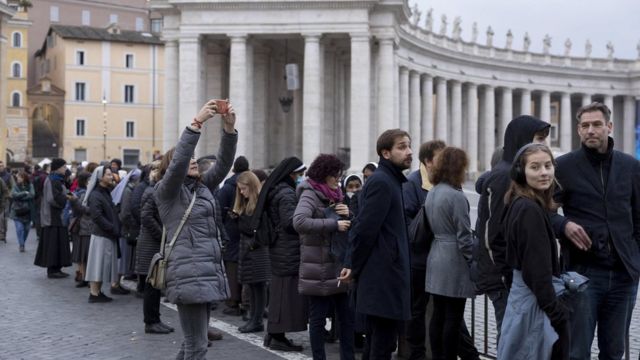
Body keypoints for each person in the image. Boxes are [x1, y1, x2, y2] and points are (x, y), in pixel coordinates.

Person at [551, 102, 640, 360]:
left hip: (624, 276)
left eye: (597, 124)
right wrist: (563, 225)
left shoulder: (631, 167)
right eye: (585, 126)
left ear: (609, 127)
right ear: (578, 130)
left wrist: (635, 258)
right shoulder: (563, 166)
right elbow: (544, 212)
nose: (591, 130)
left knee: (614, 352)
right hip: (582, 275)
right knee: (577, 351)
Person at [155, 99, 236, 359]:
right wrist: (196, 124)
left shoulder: (201, 188)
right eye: (188, 158)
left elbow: (223, 165)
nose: (193, 161)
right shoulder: (167, 193)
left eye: (193, 158)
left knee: (192, 343)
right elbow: (178, 164)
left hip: (205, 272)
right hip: (187, 274)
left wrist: (229, 130)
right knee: (197, 345)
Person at [475, 115, 550, 339]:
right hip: (503, 277)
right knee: (511, 337)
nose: (543, 145)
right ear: (522, 139)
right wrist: (505, 275)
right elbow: (492, 233)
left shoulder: (518, 173)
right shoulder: (503, 176)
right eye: (538, 139)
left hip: (516, 275)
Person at [498, 143, 569, 360]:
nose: (544, 172)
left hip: (524, 300)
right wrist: (557, 312)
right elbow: (536, 269)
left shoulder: (520, 203)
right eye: (535, 167)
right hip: (536, 306)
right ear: (521, 172)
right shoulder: (529, 210)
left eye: (548, 166)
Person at [350, 129, 412, 360]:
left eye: (409, 146)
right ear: (386, 153)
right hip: (383, 276)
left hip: (385, 273)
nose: (409, 152)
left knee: (378, 344)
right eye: (402, 147)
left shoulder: (390, 180)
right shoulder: (383, 183)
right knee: (382, 346)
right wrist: (352, 266)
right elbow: (365, 229)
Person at [294, 154, 354, 360]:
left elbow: (345, 225)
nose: (339, 179)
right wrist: (333, 224)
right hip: (317, 267)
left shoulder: (336, 193)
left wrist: (348, 214)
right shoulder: (309, 194)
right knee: (318, 319)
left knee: (346, 317)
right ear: (325, 174)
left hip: (337, 265)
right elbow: (299, 222)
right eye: (336, 175)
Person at [424, 147, 475, 360]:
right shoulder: (456, 196)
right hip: (453, 258)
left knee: (438, 315)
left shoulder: (433, 191)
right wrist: (473, 259)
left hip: (435, 254)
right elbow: (464, 236)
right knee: (453, 317)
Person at [254, 157, 307, 351]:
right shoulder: (286, 193)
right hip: (287, 249)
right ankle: (277, 336)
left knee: (279, 292)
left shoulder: (277, 189)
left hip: (280, 248)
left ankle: (274, 334)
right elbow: (290, 222)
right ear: (292, 174)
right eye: (300, 175)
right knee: (284, 294)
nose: (301, 178)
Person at [134, 161, 174, 334]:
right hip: (151, 244)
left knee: (156, 284)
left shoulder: (155, 191)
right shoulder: (151, 192)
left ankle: (155, 319)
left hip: (155, 243)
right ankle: (151, 321)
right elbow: (147, 217)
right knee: (152, 284)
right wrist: (162, 236)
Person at [231, 171, 271, 333]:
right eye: (239, 189)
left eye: (243, 188)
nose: (241, 192)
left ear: (252, 187)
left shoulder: (260, 205)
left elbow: (257, 230)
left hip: (257, 251)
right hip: (249, 251)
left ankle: (257, 320)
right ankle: (254, 318)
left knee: (259, 287)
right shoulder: (247, 204)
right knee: (254, 287)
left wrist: (240, 220)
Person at [216, 156, 250, 316]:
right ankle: (245, 300)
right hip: (246, 228)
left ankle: (233, 301)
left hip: (230, 229)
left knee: (231, 265)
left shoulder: (227, 187)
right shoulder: (249, 182)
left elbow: (219, 210)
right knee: (244, 264)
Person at [84, 166, 122, 303]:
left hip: (106, 234)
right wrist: (111, 227)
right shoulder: (96, 195)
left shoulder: (105, 192)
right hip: (102, 235)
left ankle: (97, 292)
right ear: (100, 177)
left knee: (100, 266)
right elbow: (97, 216)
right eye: (108, 175)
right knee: (97, 265)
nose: (111, 176)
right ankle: (94, 294)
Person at [34, 158, 73, 278]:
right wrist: (65, 199)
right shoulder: (52, 179)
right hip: (53, 217)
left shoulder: (57, 179)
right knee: (53, 244)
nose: (65, 169)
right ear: (58, 168)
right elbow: (52, 198)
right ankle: (52, 270)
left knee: (58, 243)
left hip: (57, 217)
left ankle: (57, 268)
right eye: (64, 167)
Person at [68, 171, 92, 287]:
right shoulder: (84, 193)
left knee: (81, 254)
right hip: (83, 226)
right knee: (84, 254)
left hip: (78, 226)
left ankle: (82, 275)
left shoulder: (76, 191)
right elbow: (83, 209)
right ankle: (84, 276)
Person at [10, 171, 34, 252]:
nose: (17, 178)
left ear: (23, 178)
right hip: (17, 211)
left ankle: (22, 242)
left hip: (28, 211)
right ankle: (22, 245)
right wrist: (24, 193)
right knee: (19, 229)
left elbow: (32, 195)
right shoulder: (15, 186)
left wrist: (20, 197)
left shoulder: (30, 185)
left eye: (19, 177)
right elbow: (13, 195)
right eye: (17, 177)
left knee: (27, 229)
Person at [0, 160, 15, 243]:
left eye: (1, 166)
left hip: (5, 199)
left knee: (3, 218)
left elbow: (13, 186)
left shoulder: (8, 176)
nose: (0, 167)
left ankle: (3, 234)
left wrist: (9, 195)